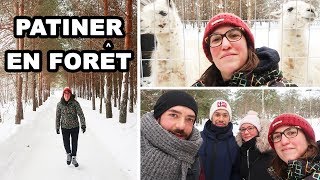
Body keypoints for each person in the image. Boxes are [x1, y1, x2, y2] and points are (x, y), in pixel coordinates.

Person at [192, 13, 297, 87]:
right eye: (216, 39)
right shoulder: (200, 86)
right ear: (210, 54)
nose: (225, 45)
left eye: (233, 35)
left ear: (248, 46)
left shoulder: (276, 85)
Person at [140, 90, 203, 180]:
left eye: (189, 119)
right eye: (173, 115)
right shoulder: (136, 146)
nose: (181, 126)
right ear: (158, 116)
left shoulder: (192, 151)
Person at [267, 113, 320, 179]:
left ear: (308, 140)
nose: (284, 142)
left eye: (291, 133)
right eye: (277, 136)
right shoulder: (276, 174)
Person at [198, 99, 240, 180]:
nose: (221, 119)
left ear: (229, 118)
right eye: (217, 115)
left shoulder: (235, 143)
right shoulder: (198, 138)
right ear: (211, 117)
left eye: (225, 115)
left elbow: (236, 172)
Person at [235, 110, 273, 180]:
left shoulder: (269, 150)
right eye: (243, 129)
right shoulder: (239, 150)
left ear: (258, 130)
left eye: (250, 128)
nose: (246, 132)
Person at [56, 87, 86, 167]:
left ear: (70, 94)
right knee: (66, 142)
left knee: (74, 142)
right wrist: (57, 127)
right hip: (64, 127)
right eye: (65, 93)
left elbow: (80, 114)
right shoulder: (59, 104)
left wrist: (83, 124)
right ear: (63, 94)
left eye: (68, 93)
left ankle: (74, 158)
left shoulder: (75, 103)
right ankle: (68, 154)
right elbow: (58, 116)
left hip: (74, 126)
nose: (67, 95)